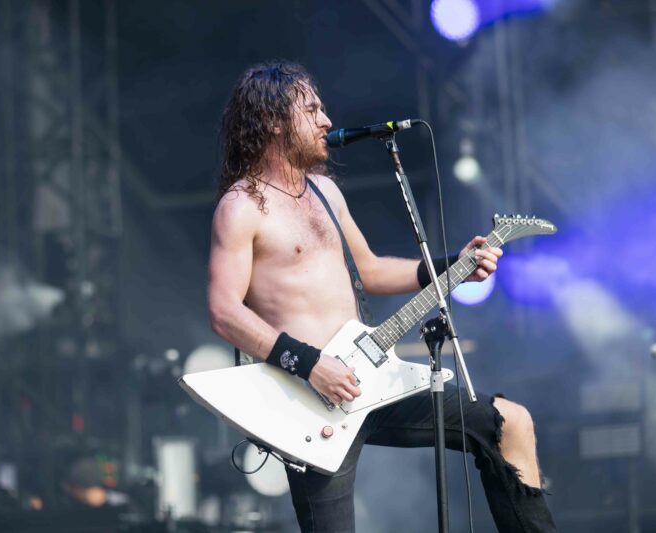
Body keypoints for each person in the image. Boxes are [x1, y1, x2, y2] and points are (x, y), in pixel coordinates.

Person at [208, 61, 556, 533]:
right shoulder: (241, 206)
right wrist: (312, 364)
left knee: (510, 424)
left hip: (371, 380)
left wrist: (455, 265)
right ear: (273, 121)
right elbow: (224, 311)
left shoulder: (325, 192)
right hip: (309, 402)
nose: (326, 120)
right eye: (311, 110)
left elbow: (369, 270)